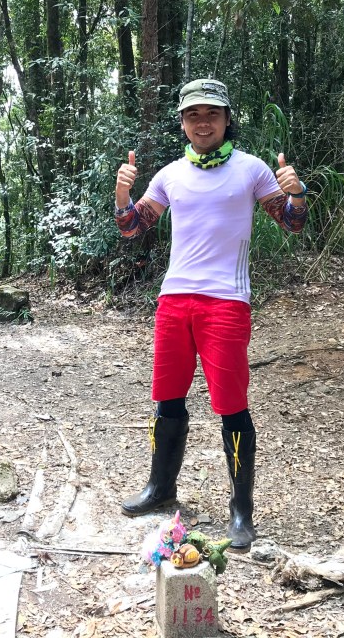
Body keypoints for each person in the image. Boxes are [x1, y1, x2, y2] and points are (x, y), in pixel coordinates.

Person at [113, 78, 308, 551]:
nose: (203, 122)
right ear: (183, 122)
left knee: (232, 406)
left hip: (227, 301)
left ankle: (241, 511)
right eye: (193, 115)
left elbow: (292, 223)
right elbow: (133, 228)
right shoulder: (170, 174)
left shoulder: (250, 168)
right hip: (174, 299)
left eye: (212, 113)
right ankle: (160, 488)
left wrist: (297, 193)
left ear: (226, 119)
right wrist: (122, 196)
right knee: (167, 399)